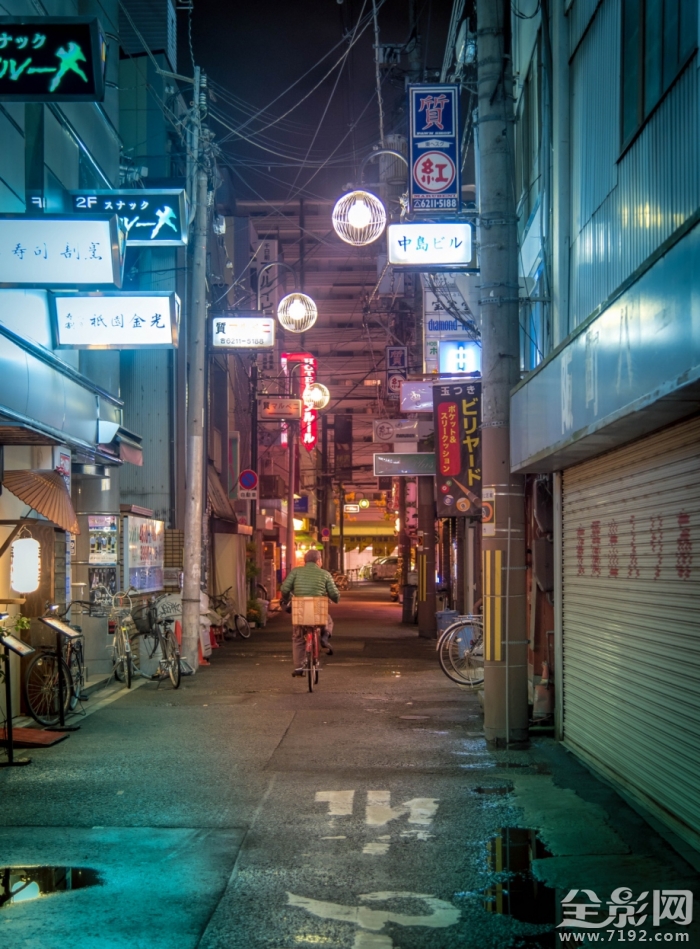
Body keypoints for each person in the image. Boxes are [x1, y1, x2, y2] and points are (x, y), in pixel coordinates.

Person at [280, 549, 339, 677]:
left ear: (305, 561)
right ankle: (324, 637)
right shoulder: (325, 574)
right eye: (321, 560)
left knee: (298, 636)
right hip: (318, 610)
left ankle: (299, 667)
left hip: (300, 610)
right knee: (327, 620)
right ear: (318, 561)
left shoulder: (296, 571)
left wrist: (287, 598)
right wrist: (335, 599)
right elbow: (334, 594)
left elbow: (284, 588)